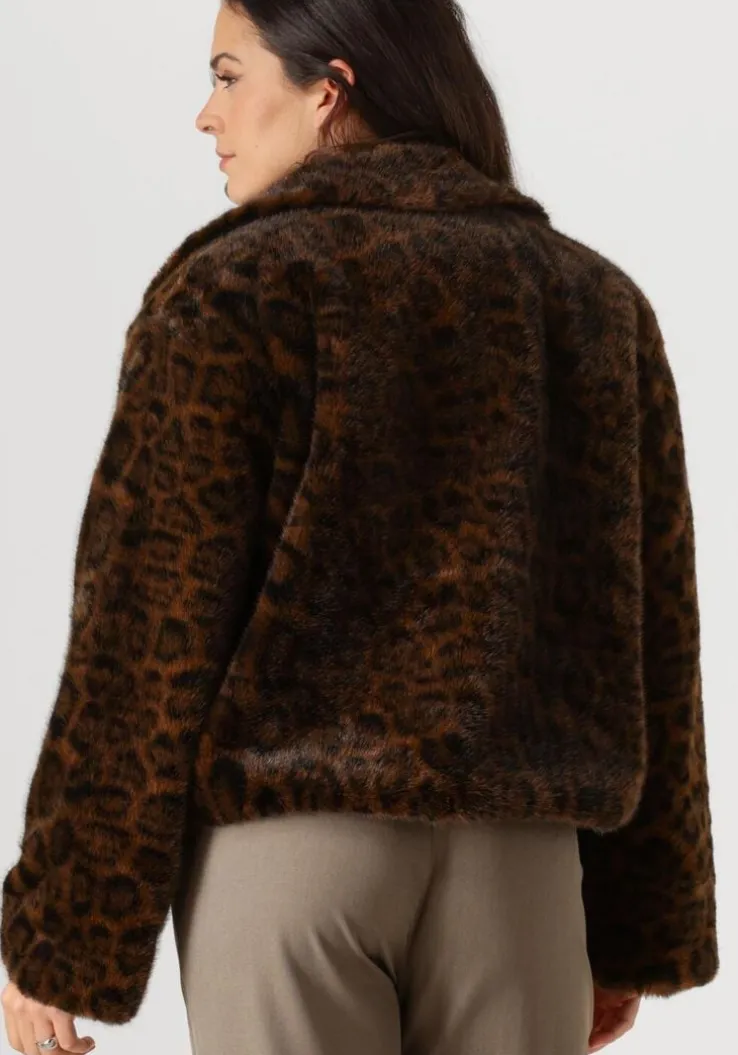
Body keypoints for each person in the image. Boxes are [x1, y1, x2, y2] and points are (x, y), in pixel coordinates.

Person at [1, 1, 719, 1053]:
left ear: (328, 91)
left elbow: (145, 634)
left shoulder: (233, 292)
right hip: (519, 874)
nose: (207, 114)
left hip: (294, 864)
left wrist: (63, 934)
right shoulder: (594, 305)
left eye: (229, 75)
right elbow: (651, 636)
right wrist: (632, 929)